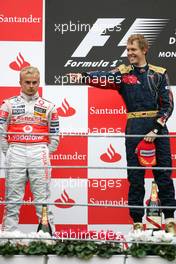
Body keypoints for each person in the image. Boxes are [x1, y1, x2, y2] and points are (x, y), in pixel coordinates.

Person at [68, 34, 176, 234]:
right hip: (134, 126)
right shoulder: (123, 73)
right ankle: (136, 222)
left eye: (133, 49)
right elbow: (103, 77)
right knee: (135, 176)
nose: (129, 53)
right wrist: (83, 76)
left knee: (164, 174)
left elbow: (168, 105)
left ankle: (169, 220)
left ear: (144, 50)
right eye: (128, 50)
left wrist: (156, 129)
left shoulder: (159, 73)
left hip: (157, 128)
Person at [0, 66, 59, 233]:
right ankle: (8, 240)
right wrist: (9, 151)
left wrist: (44, 151)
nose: (31, 86)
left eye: (35, 82)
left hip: (39, 151)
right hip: (16, 150)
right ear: (20, 82)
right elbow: (1, 132)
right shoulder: (8, 104)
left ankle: (47, 240)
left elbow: (55, 134)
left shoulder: (49, 106)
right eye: (27, 82)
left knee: (43, 200)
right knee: (12, 200)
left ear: (39, 83)